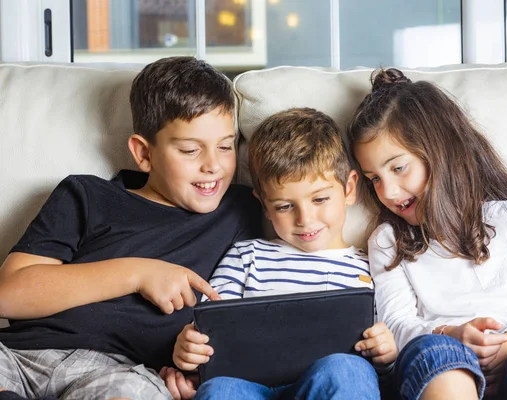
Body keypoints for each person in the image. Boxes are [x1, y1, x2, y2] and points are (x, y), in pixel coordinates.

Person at [0, 56, 261, 400]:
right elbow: (9, 296)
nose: (213, 165)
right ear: (143, 153)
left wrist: (194, 371)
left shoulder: (243, 211)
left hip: (123, 374)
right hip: (21, 356)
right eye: (190, 149)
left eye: (226, 146)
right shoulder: (87, 195)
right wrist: (137, 274)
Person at [347, 67, 507, 400]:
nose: (389, 191)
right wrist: (452, 334)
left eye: (398, 168)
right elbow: (397, 325)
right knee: (436, 353)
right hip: (441, 364)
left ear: (440, 150)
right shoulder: (387, 240)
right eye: (374, 178)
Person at [161, 108, 398, 400]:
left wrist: (386, 354)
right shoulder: (247, 256)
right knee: (220, 389)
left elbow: (379, 358)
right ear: (264, 206)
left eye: (320, 199)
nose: (305, 219)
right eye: (285, 206)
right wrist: (190, 353)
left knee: (348, 370)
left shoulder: (370, 264)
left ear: (349, 189)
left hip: (326, 385)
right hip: (251, 385)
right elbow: (211, 328)